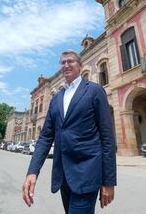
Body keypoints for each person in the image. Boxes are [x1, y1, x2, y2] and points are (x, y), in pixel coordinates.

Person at [22, 51, 116, 214]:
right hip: (63, 175)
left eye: (70, 61)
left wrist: (109, 181)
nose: (65, 65)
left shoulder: (94, 90)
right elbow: (45, 138)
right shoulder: (56, 99)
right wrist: (32, 171)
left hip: (87, 172)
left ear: (80, 65)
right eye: (62, 62)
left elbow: (107, 138)